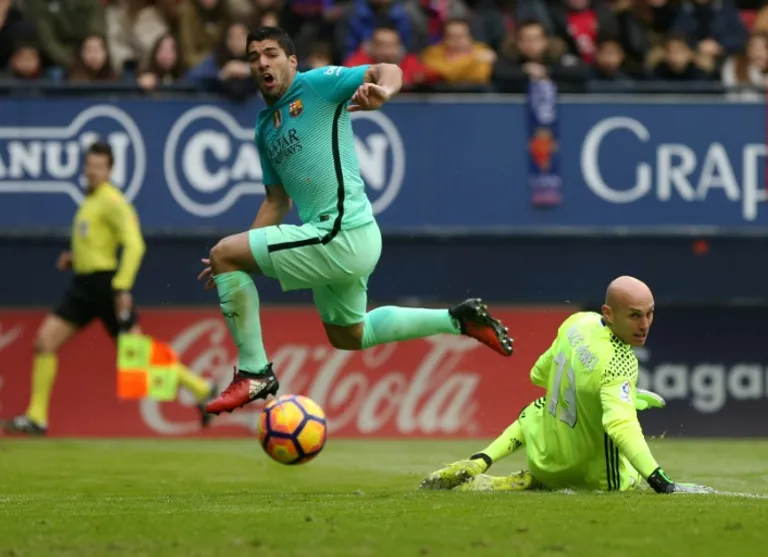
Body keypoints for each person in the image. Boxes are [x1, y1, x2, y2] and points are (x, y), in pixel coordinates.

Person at [198, 26, 514, 416]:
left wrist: (384, 92)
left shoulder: (316, 85)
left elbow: (388, 70)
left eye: (271, 53)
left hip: (340, 232)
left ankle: (254, 372)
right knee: (349, 335)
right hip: (343, 239)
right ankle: (457, 320)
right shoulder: (265, 128)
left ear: (292, 61)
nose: (262, 62)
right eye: (253, 57)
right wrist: (238, 258)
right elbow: (277, 201)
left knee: (224, 254)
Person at [419, 276, 714, 494]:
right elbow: (621, 427)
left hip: (547, 462)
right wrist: (662, 483)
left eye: (649, 313)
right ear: (608, 313)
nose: (645, 324)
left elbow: (538, 374)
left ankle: (481, 461)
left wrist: (614, 393)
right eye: (635, 315)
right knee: (619, 452)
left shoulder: (577, 323)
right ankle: (529, 474)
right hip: (597, 480)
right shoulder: (621, 361)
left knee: (540, 406)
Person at [1, 142, 217, 436]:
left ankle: (201, 388)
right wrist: (75, 259)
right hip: (84, 285)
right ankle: (36, 417)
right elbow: (97, 245)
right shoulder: (91, 202)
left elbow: (135, 244)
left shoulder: (113, 201)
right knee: (44, 342)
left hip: (105, 287)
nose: (93, 171)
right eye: (89, 165)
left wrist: (122, 288)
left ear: (110, 170)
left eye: (99, 166)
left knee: (135, 353)